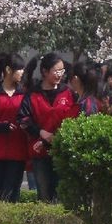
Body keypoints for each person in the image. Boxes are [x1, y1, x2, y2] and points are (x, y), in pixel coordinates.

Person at [20, 53, 78, 204]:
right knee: (44, 194)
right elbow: (23, 119)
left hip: (62, 151)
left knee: (61, 195)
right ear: (45, 72)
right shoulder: (33, 94)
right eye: (56, 71)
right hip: (39, 152)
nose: (60, 75)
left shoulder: (68, 93)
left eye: (62, 71)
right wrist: (40, 132)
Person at [0, 54, 30, 201]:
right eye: (19, 69)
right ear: (8, 70)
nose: (22, 72)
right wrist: (2, 126)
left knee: (12, 191)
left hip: (17, 151)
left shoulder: (24, 94)